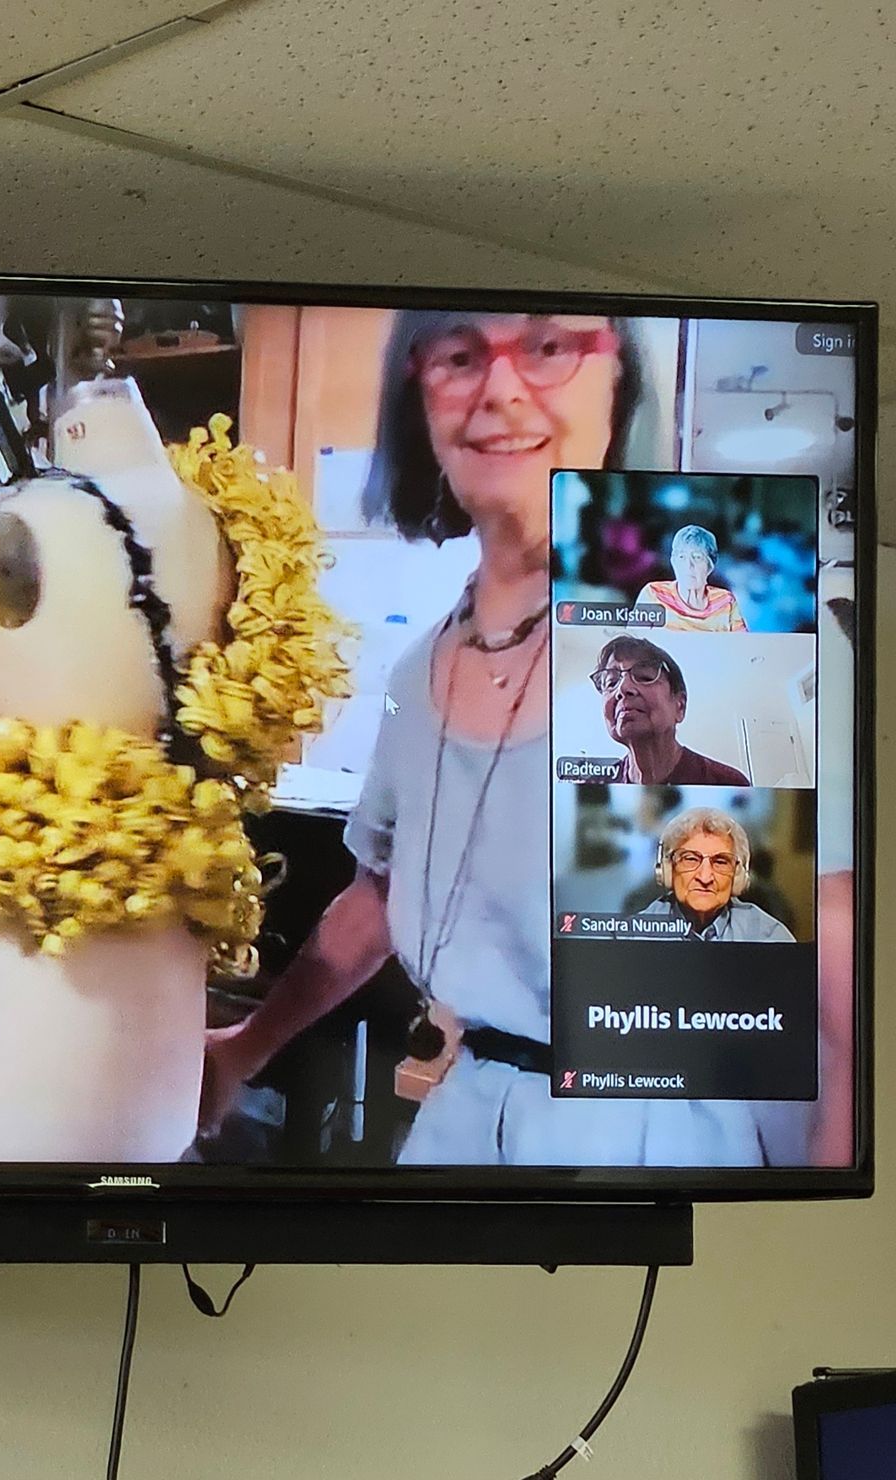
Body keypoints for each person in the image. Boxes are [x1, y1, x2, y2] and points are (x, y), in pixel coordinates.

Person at [202, 310, 778, 1167]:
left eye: (548, 347)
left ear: (619, 384)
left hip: (649, 1132)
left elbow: (805, 954)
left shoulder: (708, 627)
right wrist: (243, 1049)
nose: (501, 389)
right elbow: (379, 895)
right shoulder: (416, 672)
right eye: (459, 356)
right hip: (467, 1111)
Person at [589, 634, 749, 784]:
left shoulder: (726, 782)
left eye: (644, 677)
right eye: (611, 683)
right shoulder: (592, 786)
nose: (623, 689)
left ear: (680, 706)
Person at [638, 808, 793, 941]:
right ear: (668, 869)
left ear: (738, 875)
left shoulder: (769, 935)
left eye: (720, 862)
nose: (705, 878)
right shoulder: (635, 934)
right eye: (691, 859)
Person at [634, 525, 748, 632]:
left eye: (697, 557)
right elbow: (632, 640)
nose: (688, 565)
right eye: (682, 557)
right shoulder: (654, 594)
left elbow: (742, 644)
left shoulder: (725, 601)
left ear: (710, 565)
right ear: (674, 562)